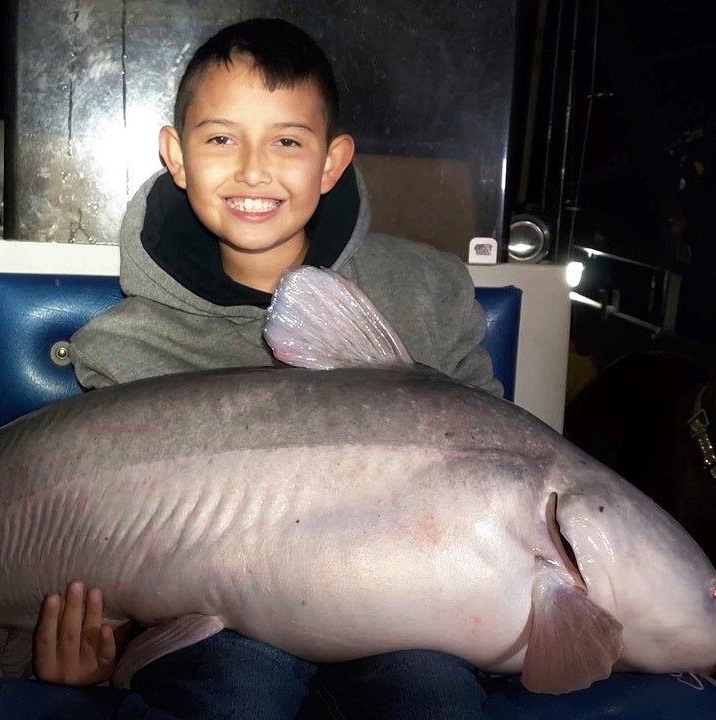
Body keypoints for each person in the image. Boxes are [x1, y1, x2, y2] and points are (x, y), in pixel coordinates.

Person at [34, 17, 500, 720]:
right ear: (177, 155)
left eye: (287, 141)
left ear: (332, 161)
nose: (253, 169)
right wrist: (99, 645)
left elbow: (498, 466)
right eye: (221, 138)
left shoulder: (429, 293)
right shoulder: (124, 346)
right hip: (221, 624)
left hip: (401, 616)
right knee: (230, 694)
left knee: (431, 695)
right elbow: (117, 542)